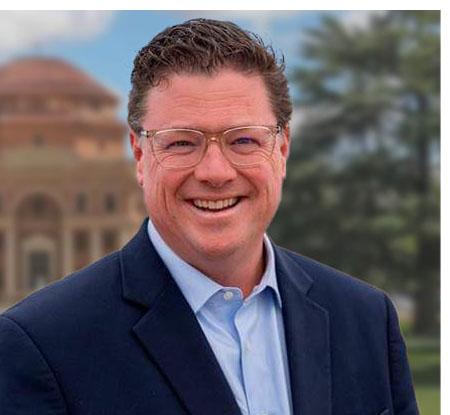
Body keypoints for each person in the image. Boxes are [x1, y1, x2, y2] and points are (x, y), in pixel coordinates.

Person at [0, 18, 418, 415]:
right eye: (182, 142)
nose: (215, 172)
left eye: (243, 140)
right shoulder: (42, 345)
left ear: (283, 149)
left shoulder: (366, 320)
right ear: (140, 154)